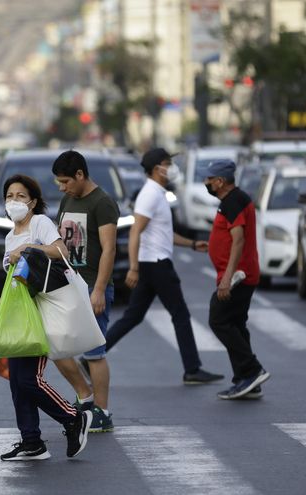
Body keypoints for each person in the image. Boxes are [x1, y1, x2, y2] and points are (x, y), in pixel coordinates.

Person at [105, 148, 224, 385]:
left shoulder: (158, 193)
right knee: (180, 314)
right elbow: (136, 231)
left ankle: (92, 357)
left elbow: (163, 233)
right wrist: (133, 267)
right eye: (168, 163)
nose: (171, 168)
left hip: (153, 263)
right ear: (157, 168)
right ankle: (192, 369)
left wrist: (191, 244)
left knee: (133, 316)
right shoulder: (150, 194)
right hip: (156, 265)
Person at [0, 174, 92, 461]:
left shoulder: (39, 223)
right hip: (20, 314)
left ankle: (72, 418)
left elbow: (60, 251)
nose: (14, 201)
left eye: (21, 196)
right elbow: (12, 281)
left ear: (33, 202)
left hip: (42, 310)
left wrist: (27, 248)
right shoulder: (9, 236)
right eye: (10, 196)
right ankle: (31, 441)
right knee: (17, 381)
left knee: (29, 380)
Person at [51, 150, 117, 433]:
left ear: (80, 174)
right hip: (66, 284)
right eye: (59, 183)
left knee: (94, 353)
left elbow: (109, 249)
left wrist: (99, 289)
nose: (62, 188)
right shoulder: (68, 199)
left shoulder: (102, 203)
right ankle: (85, 396)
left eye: (66, 181)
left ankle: (102, 412)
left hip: (91, 286)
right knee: (55, 346)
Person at [203, 159, 270, 400]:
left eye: (209, 179)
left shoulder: (232, 202)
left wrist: (227, 278)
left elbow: (239, 239)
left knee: (218, 319)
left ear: (220, 181)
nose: (206, 183)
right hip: (242, 273)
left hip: (239, 276)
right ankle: (246, 380)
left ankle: (252, 370)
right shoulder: (235, 199)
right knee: (237, 325)